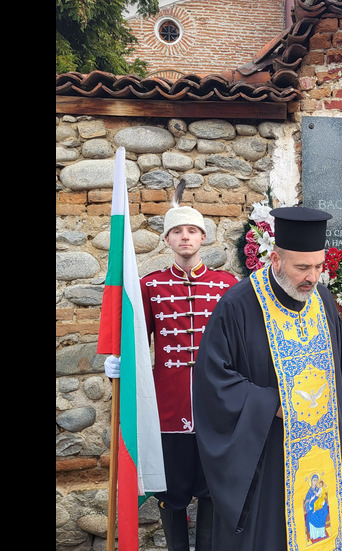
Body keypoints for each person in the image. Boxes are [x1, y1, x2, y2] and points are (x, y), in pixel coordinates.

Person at [192, 206, 342, 551]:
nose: (312, 276)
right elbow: (213, 382)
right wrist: (271, 403)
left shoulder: (320, 298)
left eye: (319, 266)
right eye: (302, 267)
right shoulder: (238, 306)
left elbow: (340, 372)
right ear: (275, 259)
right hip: (267, 451)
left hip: (323, 449)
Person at [104, 201, 238, 551]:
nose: (185, 237)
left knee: (211, 492)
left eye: (191, 230)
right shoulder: (152, 286)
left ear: (203, 237)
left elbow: (239, 347)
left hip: (215, 408)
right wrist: (118, 365)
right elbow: (135, 340)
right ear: (166, 239)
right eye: (177, 231)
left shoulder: (227, 285)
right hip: (167, 409)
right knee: (171, 493)